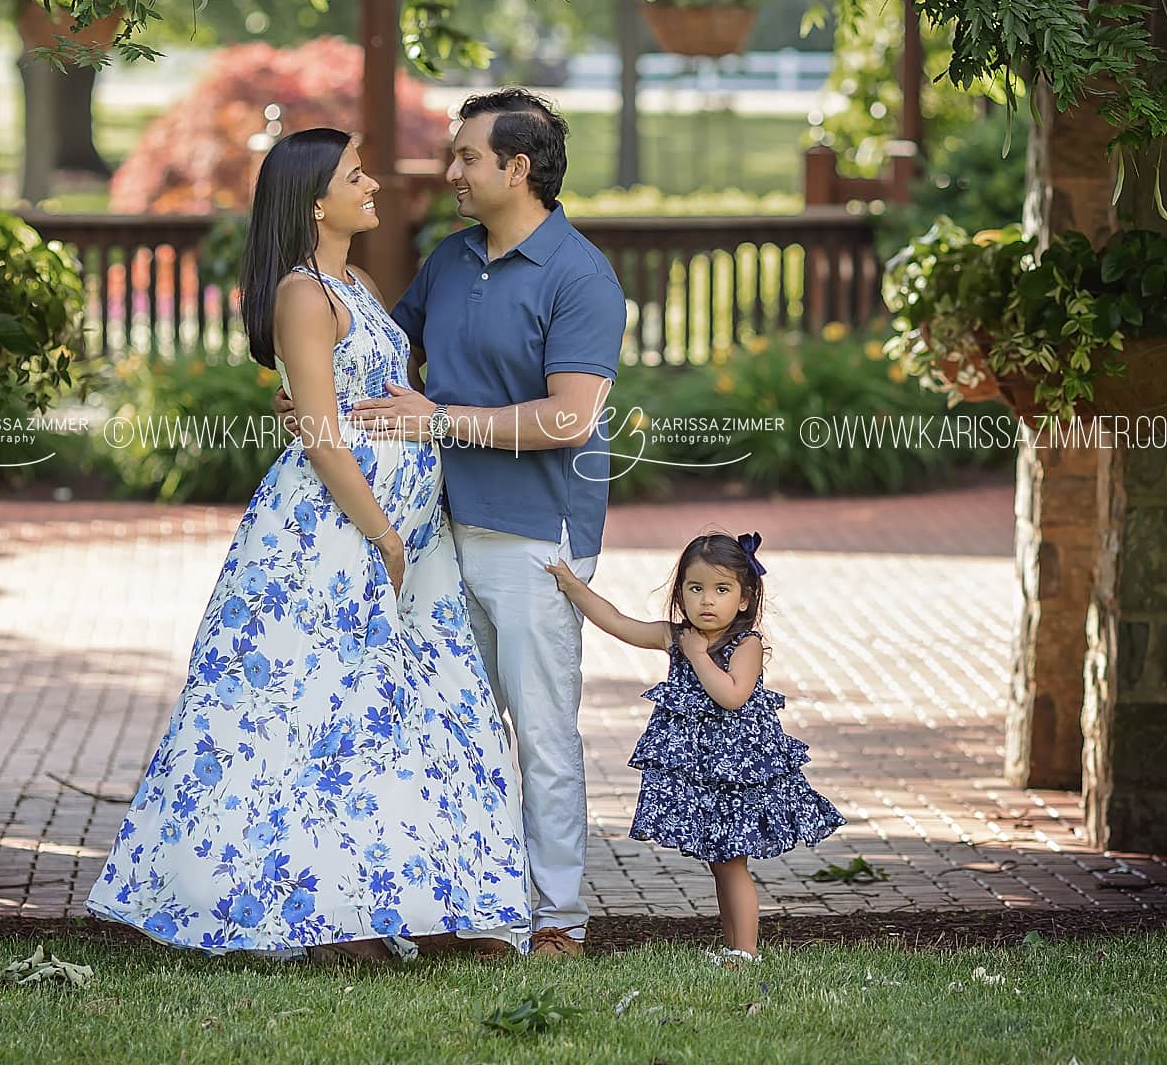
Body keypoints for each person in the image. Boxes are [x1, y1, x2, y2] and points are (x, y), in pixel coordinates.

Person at [84, 126, 532, 962]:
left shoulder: (356, 281)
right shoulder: (301, 293)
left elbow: (347, 398)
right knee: (306, 721)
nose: (373, 186)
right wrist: (384, 534)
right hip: (332, 541)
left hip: (407, 540)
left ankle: (413, 906)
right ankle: (310, 914)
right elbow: (323, 437)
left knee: (400, 721)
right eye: (355, 176)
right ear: (314, 199)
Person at [274, 89, 627, 960]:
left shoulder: (581, 275)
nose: (451, 171)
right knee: (449, 727)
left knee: (541, 734)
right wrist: (320, 401)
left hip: (533, 538)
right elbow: (385, 363)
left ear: (518, 167)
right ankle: (464, 906)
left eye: (468, 156)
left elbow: (570, 418)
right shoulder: (450, 258)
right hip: (436, 532)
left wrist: (443, 420)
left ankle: (557, 920)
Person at [545, 529, 845, 965]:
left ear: (743, 599)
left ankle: (745, 952)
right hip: (703, 771)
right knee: (721, 862)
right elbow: (620, 624)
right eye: (696, 588)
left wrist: (699, 656)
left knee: (733, 861)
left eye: (722, 590)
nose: (707, 600)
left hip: (738, 775)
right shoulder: (678, 636)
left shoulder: (747, 644)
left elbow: (732, 695)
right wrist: (574, 587)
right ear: (681, 593)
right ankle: (733, 948)